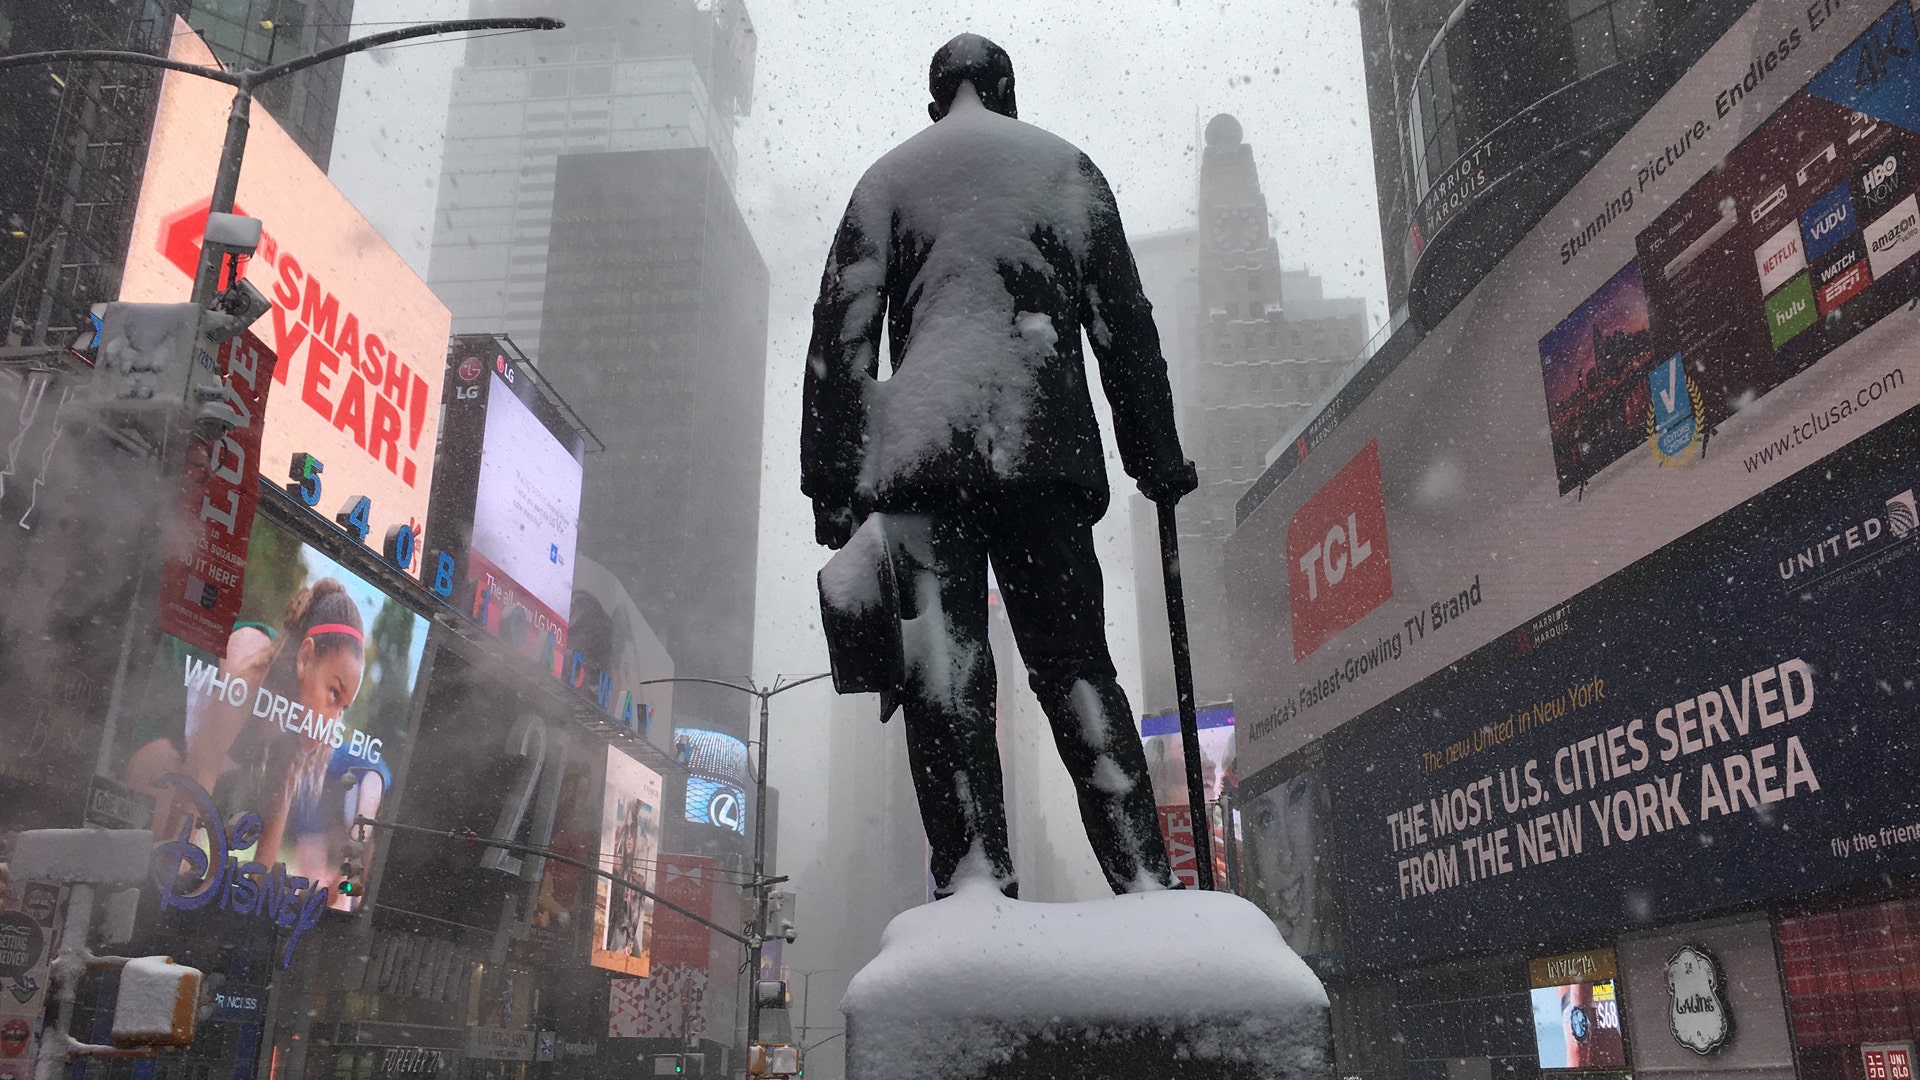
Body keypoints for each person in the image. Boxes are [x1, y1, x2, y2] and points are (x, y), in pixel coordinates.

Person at [801, 33, 1197, 898]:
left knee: (947, 678)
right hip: (1041, 460)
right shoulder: (1065, 171)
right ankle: (1143, 879)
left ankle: (975, 876)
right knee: (1075, 667)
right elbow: (1124, 331)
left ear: (935, 95)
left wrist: (833, 486)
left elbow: (842, 339)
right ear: (1007, 91)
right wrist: (1154, 456)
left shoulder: (892, 180)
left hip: (925, 466)